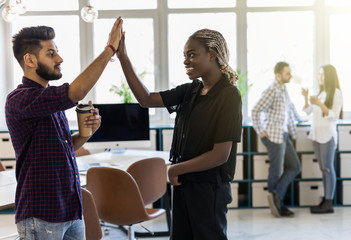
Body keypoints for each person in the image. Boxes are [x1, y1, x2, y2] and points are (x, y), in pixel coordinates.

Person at [117, 28, 242, 239]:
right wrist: (123, 57)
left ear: (211, 54)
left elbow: (220, 154)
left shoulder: (229, 95)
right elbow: (146, 99)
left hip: (208, 189)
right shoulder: (190, 90)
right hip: (184, 185)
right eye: (184, 55)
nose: (186, 61)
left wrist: (175, 170)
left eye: (192, 54)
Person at [5, 17, 123, 239]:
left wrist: (85, 134)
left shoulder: (49, 100)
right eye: (51, 53)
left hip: (69, 208)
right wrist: (109, 50)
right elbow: (76, 92)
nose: (59, 58)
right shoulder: (20, 99)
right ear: (29, 60)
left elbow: (64, 147)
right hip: (41, 214)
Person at [252, 61, 301, 217]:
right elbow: (255, 110)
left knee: (295, 166)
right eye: (287, 73)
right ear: (278, 75)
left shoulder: (283, 89)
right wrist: (260, 131)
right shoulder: (272, 90)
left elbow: (290, 108)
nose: (290, 75)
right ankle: (277, 204)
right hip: (273, 135)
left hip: (284, 134)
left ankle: (276, 197)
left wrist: (301, 119)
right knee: (276, 170)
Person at [301, 64, 343, 214]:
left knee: (327, 168)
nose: (320, 77)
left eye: (323, 75)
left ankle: (329, 202)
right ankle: (326, 200)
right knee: (323, 169)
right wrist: (306, 98)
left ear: (329, 76)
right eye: (319, 74)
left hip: (327, 136)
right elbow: (307, 111)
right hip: (316, 136)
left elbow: (333, 115)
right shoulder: (320, 93)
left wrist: (320, 104)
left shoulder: (336, 93)